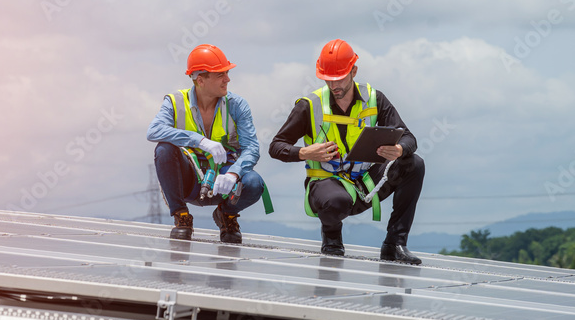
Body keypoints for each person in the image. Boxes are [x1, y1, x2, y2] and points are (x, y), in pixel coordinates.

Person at [269, 39, 425, 264]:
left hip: (365, 183)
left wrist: (399, 149)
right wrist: (305, 152)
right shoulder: (309, 105)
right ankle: (332, 239)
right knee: (337, 200)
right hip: (326, 185)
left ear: (354, 71)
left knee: (414, 164)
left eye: (340, 78)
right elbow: (276, 146)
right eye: (328, 79)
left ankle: (395, 244)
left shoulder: (375, 99)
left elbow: (409, 137)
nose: (334, 86)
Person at [147, 44, 269, 243]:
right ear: (201, 80)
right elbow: (153, 131)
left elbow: (252, 148)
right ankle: (181, 217)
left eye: (227, 73)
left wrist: (234, 173)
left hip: (223, 183)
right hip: (190, 182)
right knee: (164, 149)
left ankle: (226, 214)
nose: (227, 79)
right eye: (220, 74)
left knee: (254, 184)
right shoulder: (175, 102)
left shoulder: (237, 105)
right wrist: (201, 141)